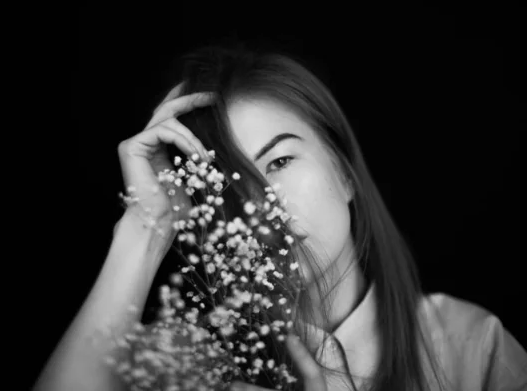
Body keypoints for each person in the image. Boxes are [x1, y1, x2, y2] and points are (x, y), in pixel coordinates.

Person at [35, 42, 527, 391]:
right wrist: (147, 226)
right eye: (228, 182)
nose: (263, 203)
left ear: (345, 172)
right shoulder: (181, 363)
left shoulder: (474, 347)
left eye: (280, 162)